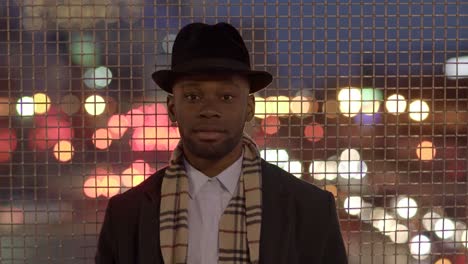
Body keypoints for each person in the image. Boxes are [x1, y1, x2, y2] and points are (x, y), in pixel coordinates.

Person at [95, 22, 348, 264]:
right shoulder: (126, 215)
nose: (209, 110)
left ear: (249, 107)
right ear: (172, 108)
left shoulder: (312, 211)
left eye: (226, 97)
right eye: (193, 96)